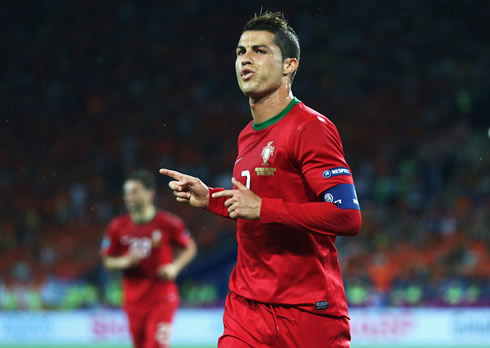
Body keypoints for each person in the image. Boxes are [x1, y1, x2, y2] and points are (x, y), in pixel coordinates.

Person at [160, 11, 361, 348]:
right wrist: (208, 197)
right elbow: (254, 202)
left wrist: (265, 209)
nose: (246, 59)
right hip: (246, 308)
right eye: (241, 51)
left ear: (289, 65)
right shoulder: (246, 136)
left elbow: (347, 217)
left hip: (307, 310)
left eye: (260, 50)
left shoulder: (310, 128)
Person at [101, 169, 197, 348]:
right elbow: (107, 260)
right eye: (126, 193)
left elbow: (190, 248)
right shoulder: (117, 227)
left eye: (134, 191)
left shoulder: (168, 223)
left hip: (161, 296)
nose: (129, 197)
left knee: (157, 345)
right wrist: (124, 262)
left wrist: (174, 267)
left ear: (150, 193)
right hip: (133, 299)